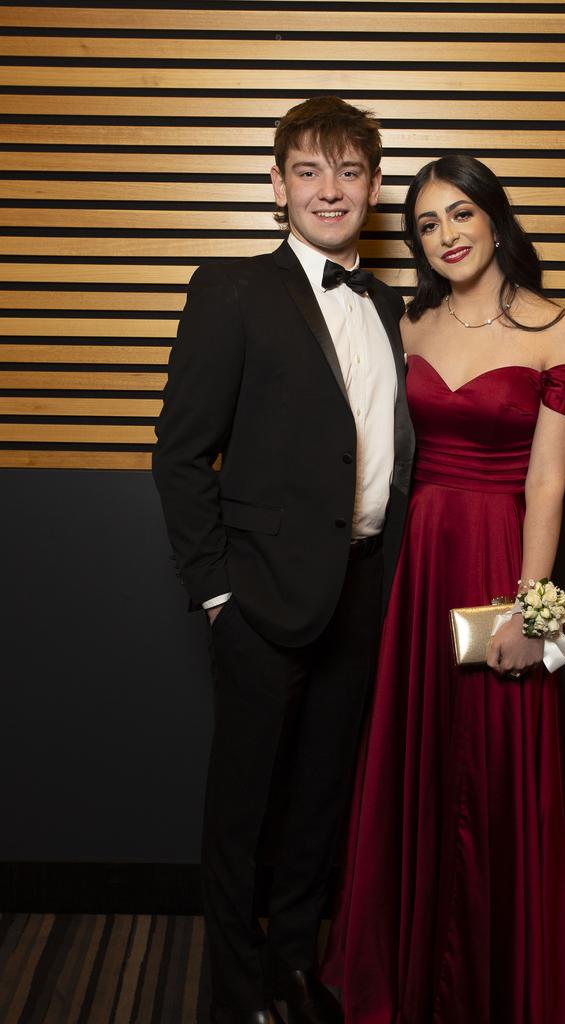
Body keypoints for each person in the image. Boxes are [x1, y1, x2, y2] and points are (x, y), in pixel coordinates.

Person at [152, 96, 414, 1024]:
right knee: (243, 813)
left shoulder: (392, 306)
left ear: (375, 187)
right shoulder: (230, 289)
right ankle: (235, 992)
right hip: (260, 598)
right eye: (309, 170)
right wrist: (217, 590)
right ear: (276, 184)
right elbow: (180, 453)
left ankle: (296, 969)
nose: (329, 189)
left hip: (364, 593)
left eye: (349, 171)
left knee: (319, 807)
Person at [322, 155, 565, 1023]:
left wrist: (530, 606)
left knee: (493, 768)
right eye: (427, 224)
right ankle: (395, 973)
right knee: (412, 758)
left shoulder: (561, 330)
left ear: (495, 217)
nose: (445, 236)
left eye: (460, 214)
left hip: (495, 561)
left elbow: (547, 484)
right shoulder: (409, 326)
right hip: (412, 565)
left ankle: (496, 982)